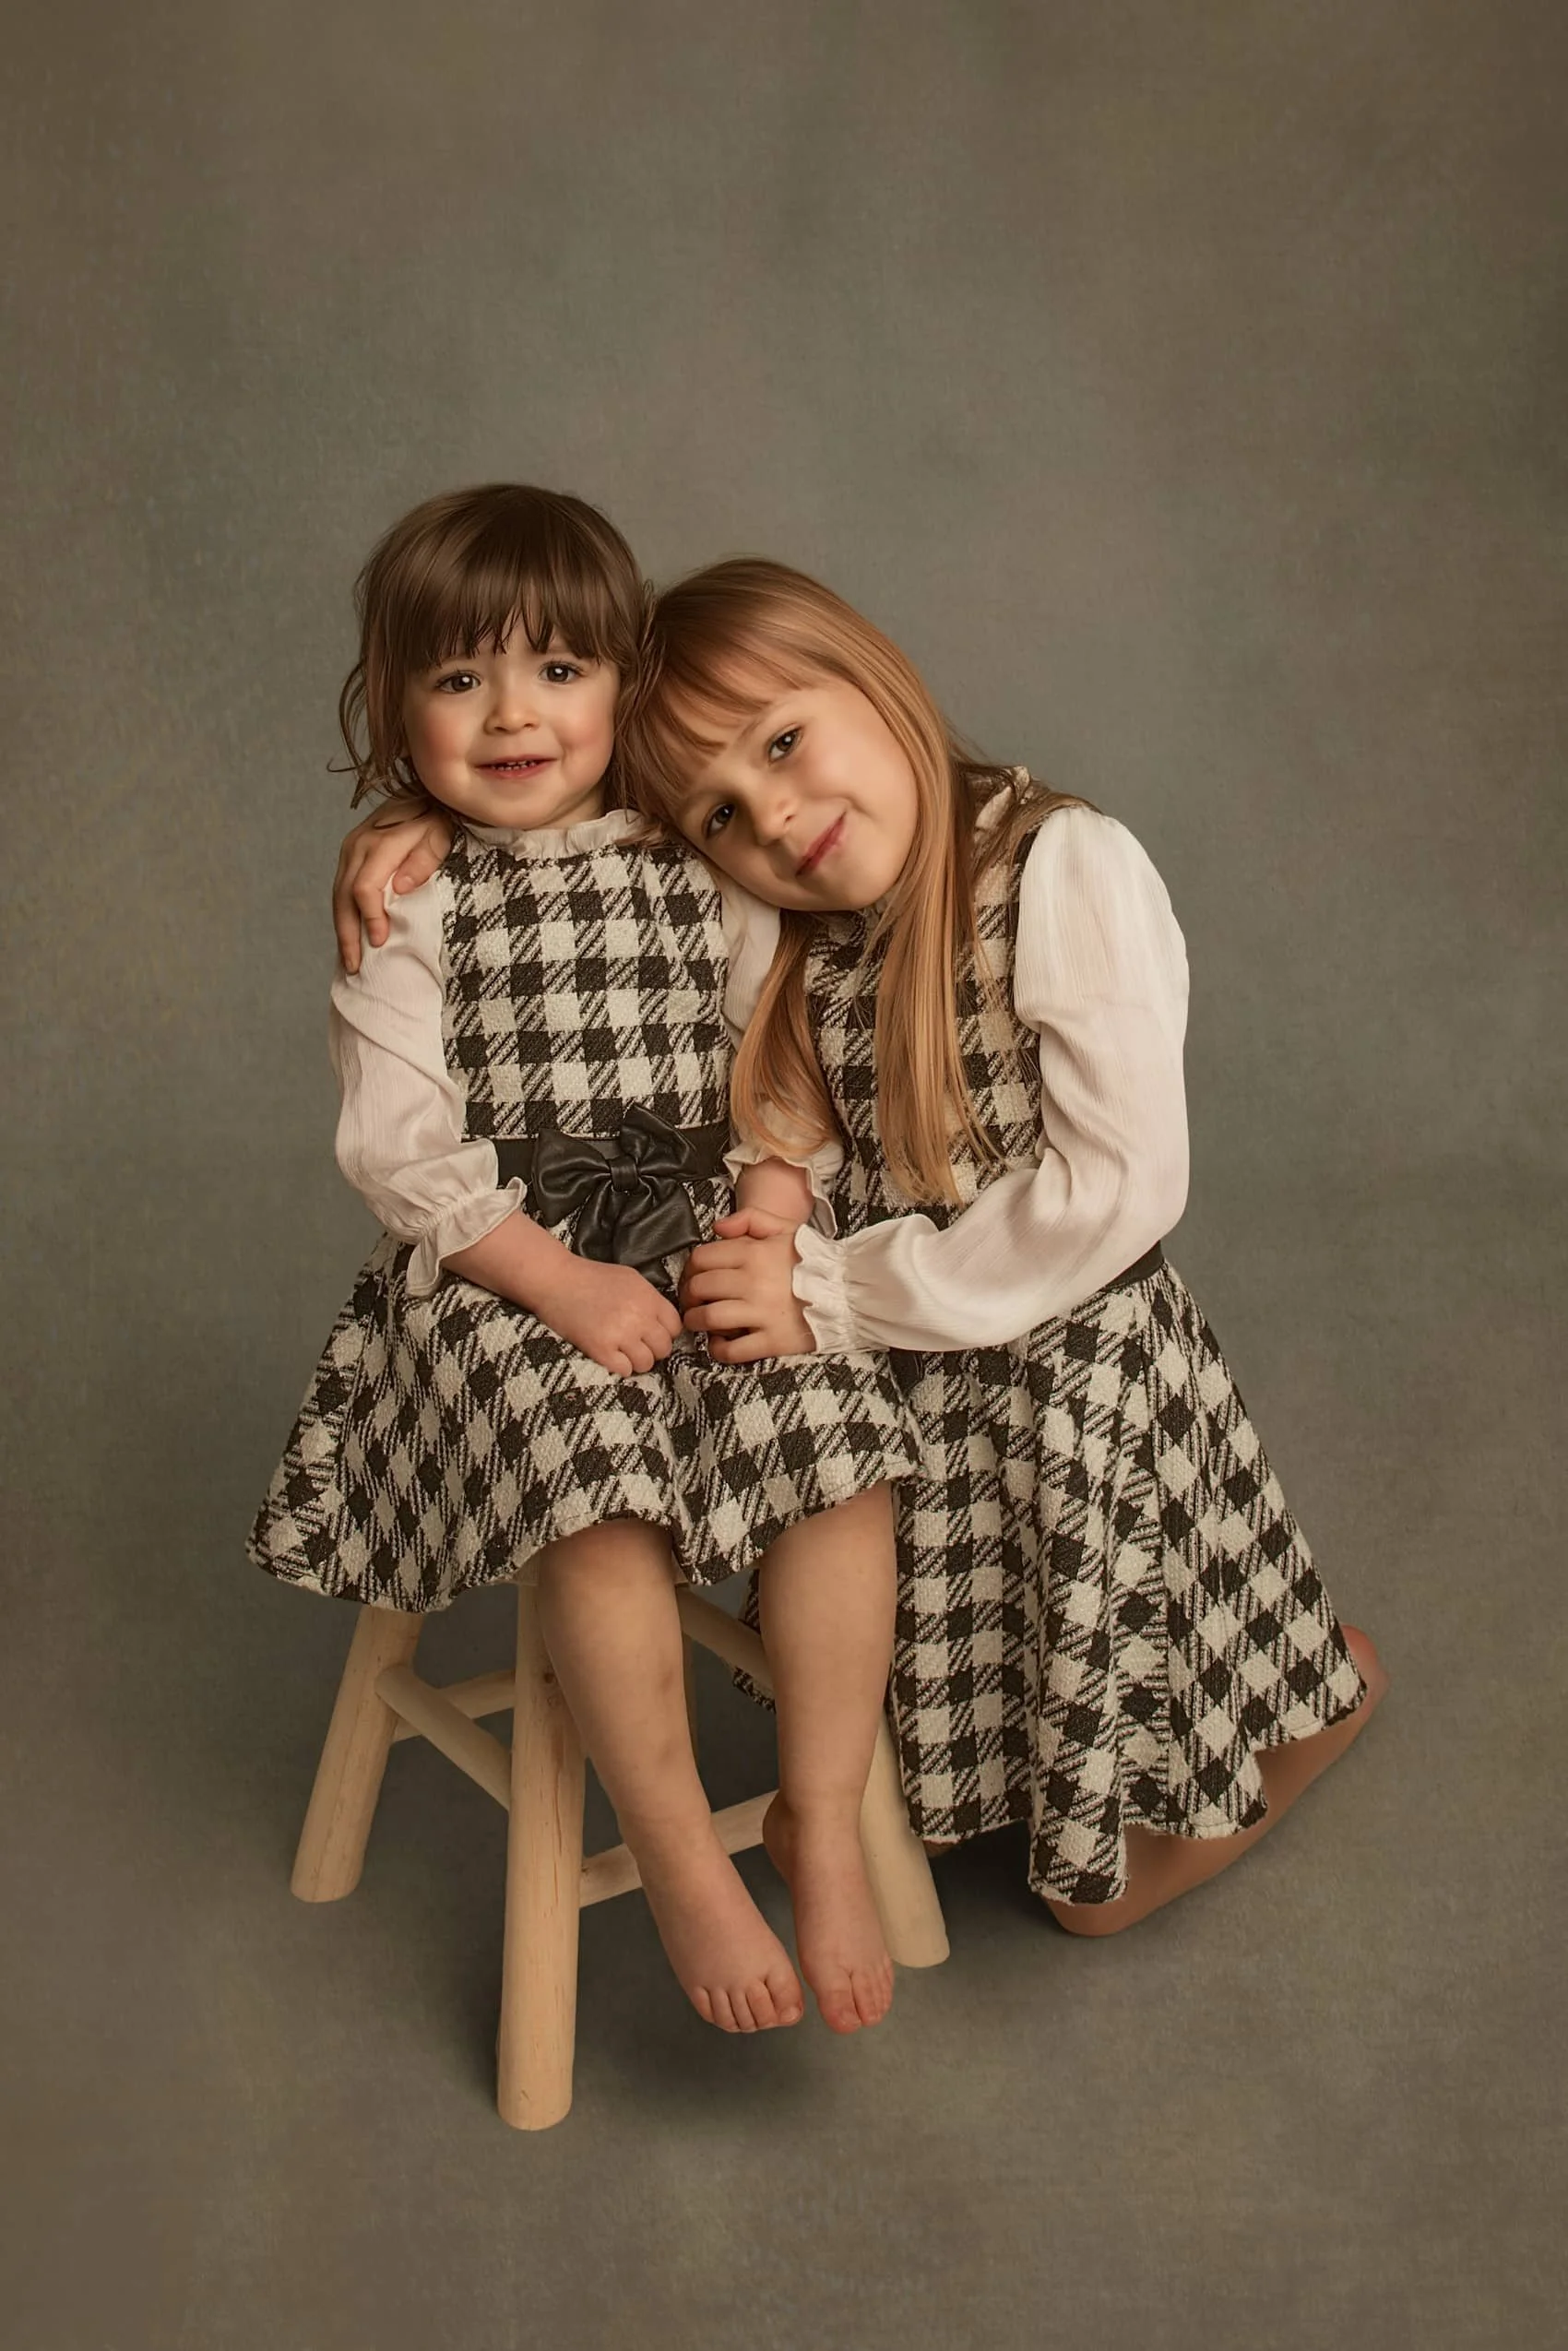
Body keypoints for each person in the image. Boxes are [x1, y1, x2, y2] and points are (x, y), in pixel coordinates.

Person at [335, 553, 1389, 1939]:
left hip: (1064, 1377)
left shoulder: (1060, 864)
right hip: (918, 1381)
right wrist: (415, 813)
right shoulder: (803, 919)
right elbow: (566, 823)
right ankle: (1035, 1757)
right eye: (724, 811)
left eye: (786, 743)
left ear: (867, 670)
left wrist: (828, 1287)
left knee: (1087, 1886)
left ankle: (1320, 1694)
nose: (777, 815)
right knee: (939, 1681)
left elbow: (1121, 1183)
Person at [253, 495, 923, 2034]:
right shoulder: (412, 899)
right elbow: (398, 1146)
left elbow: (776, 1061)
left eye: (558, 670)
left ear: (624, 680)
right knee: (594, 1484)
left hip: (695, 1232)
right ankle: (681, 1847)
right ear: (394, 703)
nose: (512, 715)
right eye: (459, 681)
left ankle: (816, 1805)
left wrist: (770, 1201)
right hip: (501, 1265)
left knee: (835, 1444)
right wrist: (556, 1282)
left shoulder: (699, 858)